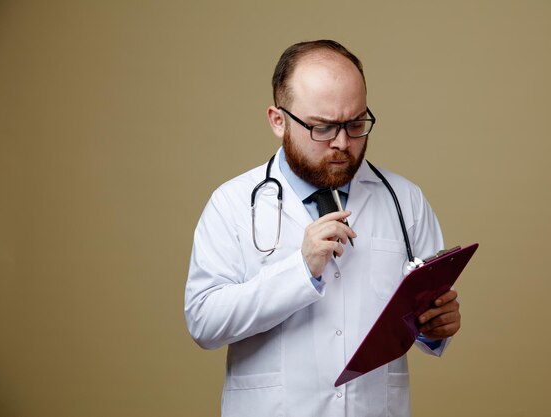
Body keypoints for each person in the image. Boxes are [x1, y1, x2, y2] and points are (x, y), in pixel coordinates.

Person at [185, 39, 461, 417]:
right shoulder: (232, 203)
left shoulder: (404, 200)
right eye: (322, 127)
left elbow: (422, 314)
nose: (342, 143)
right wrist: (299, 270)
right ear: (278, 120)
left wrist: (434, 326)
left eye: (356, 123)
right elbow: (204, 322)